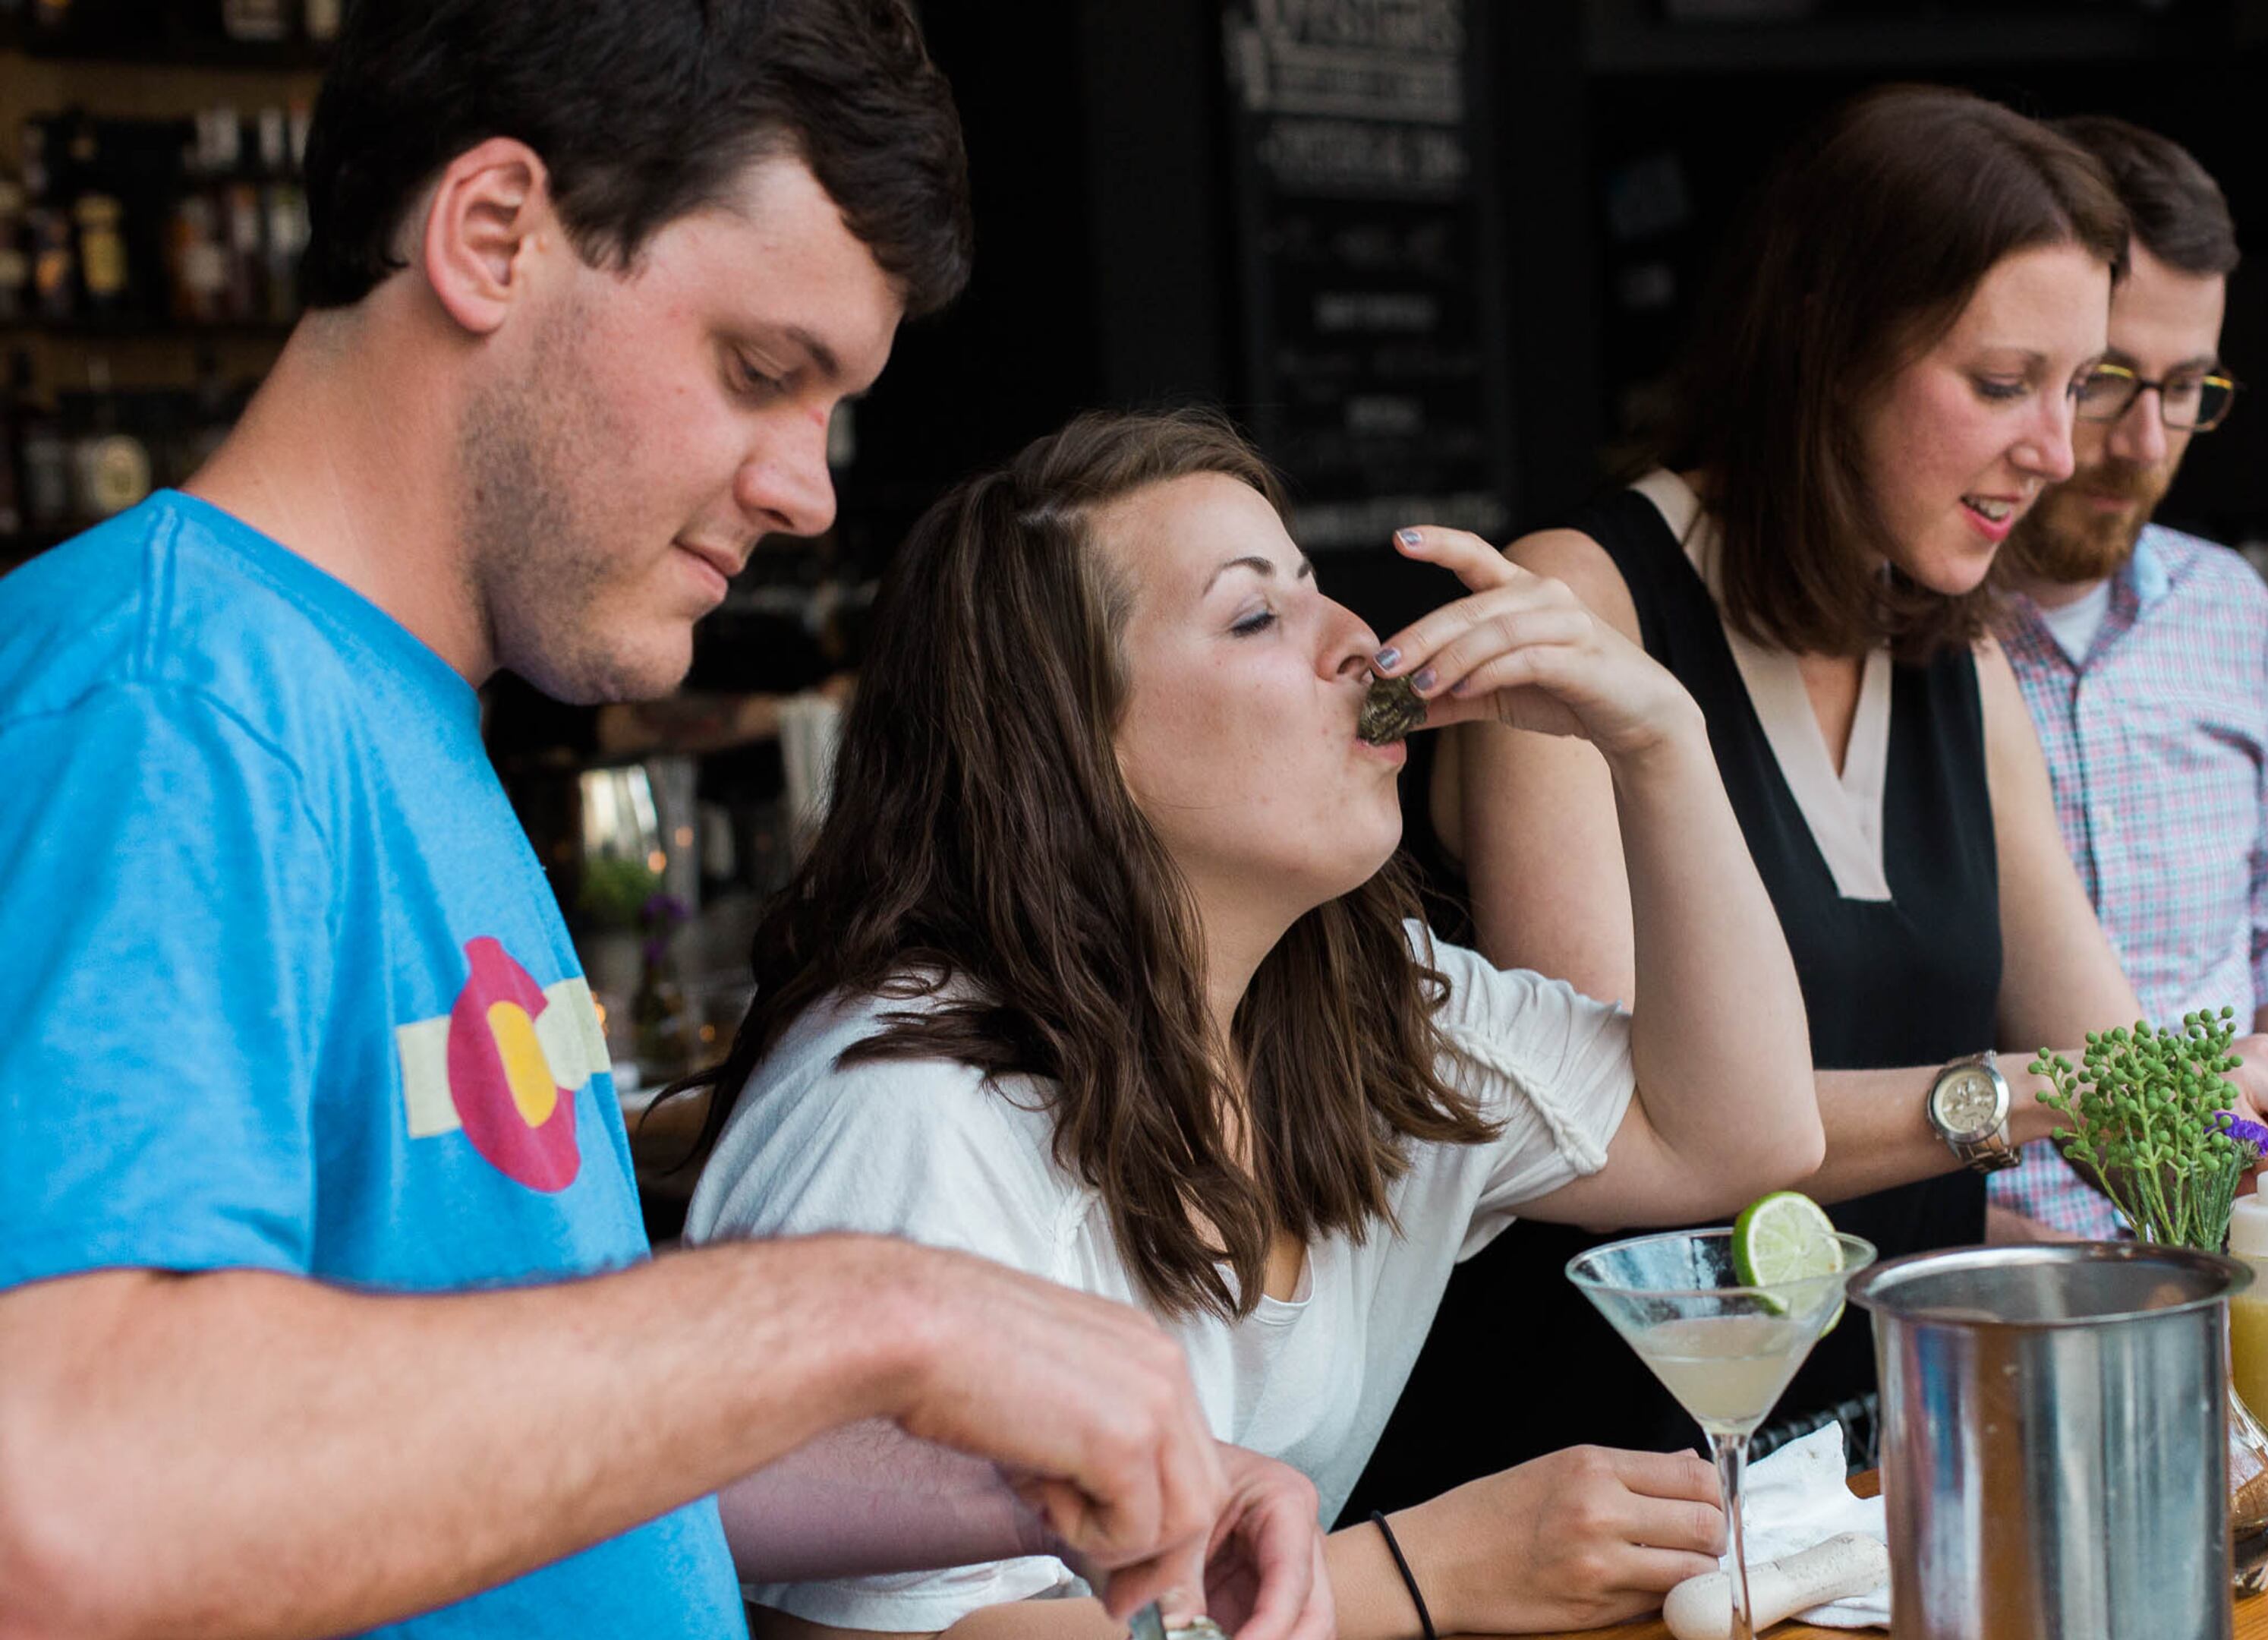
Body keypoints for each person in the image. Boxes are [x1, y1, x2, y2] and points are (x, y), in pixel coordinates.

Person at [0, 8, 1325, 1638]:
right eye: (761, 373)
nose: (812, 489)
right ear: (494, 237)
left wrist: (1049, 1476)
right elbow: (63, 1493)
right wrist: (870, 1310)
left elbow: (497, 1457)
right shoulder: (172, 704)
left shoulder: (393, 715)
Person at [1358, 86, 2268, 1510]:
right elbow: (1622, 1132)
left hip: (1882, 1490)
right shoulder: (1584, 606)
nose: (2062, 454)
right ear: (1827, 346)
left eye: (2080, 390)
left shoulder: (1953, 654)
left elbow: (2133, 1099)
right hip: (1600, 1504)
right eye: (2008, 384)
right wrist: (2033, 1097)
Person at [683, 408, 1830, 1637]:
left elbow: (1743, 1134)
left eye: (1319, 588)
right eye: (1254, 616)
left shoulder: (1361, 1005)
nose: (1358, 643)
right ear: (1071, 742)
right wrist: (1415, 1574)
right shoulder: (907, 1104)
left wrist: (1658, 740)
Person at [1982, 115, 2268, 1241]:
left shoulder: (2234, 613)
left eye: (2187, 386)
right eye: (2105, 382)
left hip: (2243, 1235)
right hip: (1986, 1289)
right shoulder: (1895, 654)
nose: (2148, 442)